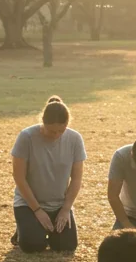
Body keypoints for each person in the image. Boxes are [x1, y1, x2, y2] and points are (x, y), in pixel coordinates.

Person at [12, 96, 86, 253]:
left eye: (62, 130)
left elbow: (77, 178)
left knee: (66, 246)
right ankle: (23, 229)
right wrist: (37, 210)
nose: (57, 135)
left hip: (59, 204)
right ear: (43, 122)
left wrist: (66, 209)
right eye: (52, 131)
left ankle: (37, 228)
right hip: (29, 204)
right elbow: (19, 177)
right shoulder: (26, 137)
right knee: (34, 246)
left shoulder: (75, 139)